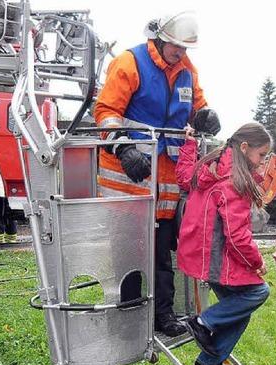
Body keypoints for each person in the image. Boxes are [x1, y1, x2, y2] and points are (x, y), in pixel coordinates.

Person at [94, 11, 221, 337]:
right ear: (160, 39)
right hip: (127, 180)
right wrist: (123, 150)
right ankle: (129, 321)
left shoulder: (187, 73)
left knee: (163, 254)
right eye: (176, 47)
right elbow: (106, 113)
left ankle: (163, 316)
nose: (181, 53)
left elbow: (198, 107)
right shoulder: (129, 63)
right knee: (128, 256)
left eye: (185, 48)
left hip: (164, 185)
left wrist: (207, 116)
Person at [176, 123, 271, 365]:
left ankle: (208, 362)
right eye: (261, 155)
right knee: (259, 292)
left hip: (198, 253)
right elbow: (237, 236)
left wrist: (189, 145)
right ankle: (202, 323)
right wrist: (257, 262)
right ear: (243, 147)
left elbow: (184, 176)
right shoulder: (235, 182)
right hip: (215, 257)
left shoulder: (211, 166)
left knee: (237, 308)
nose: (264, 161)